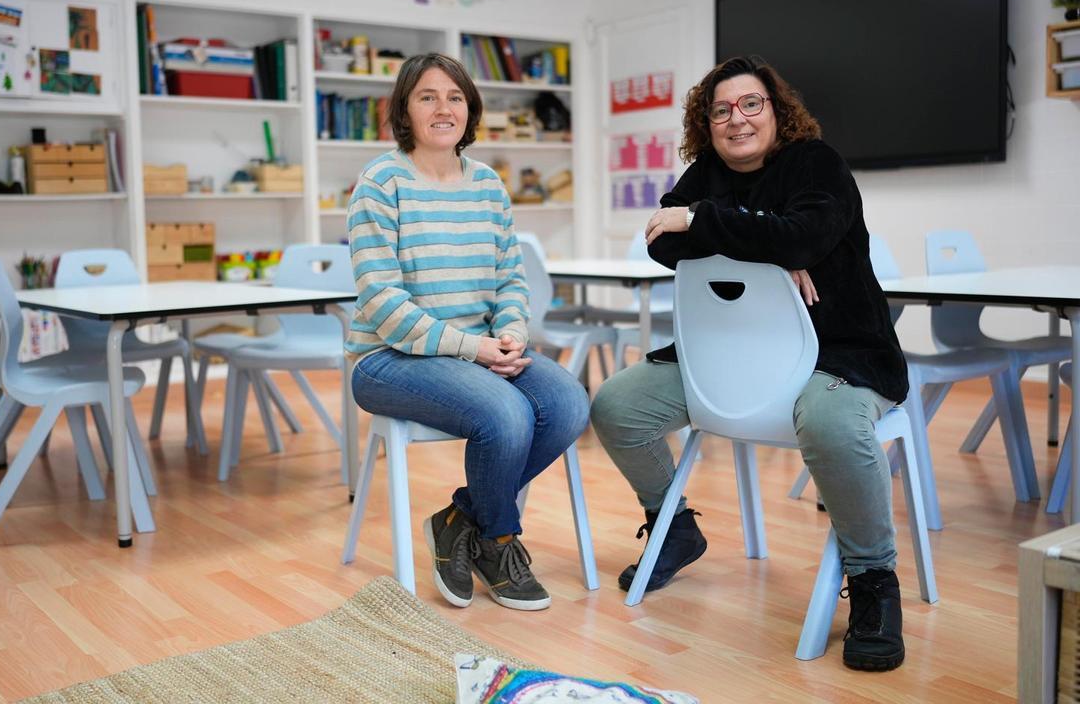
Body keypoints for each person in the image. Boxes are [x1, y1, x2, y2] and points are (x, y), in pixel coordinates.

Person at [590, 55, 911, 671]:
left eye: (751, 105)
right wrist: (766, 247)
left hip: (839, 350)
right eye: (720, 111)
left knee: (831, 426)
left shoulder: (816, 163)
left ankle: (873, 580)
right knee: (616, 406)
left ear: (775, 110)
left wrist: (720, 227)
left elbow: (804, 237)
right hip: (726, 359)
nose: (736, 119)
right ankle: (673, 525)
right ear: (705, 124)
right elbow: (664, 244)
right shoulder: (704, 172)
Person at [344, 53, 590, 612]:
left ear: (470, 108)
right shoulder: (381, 183)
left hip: (477, 350)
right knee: (506, 414)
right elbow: (384, 305)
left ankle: (460, 519)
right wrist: (474, 349)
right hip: (387, 359)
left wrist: (509, 333)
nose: (443, 108)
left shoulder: (487, 184)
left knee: (569, 403)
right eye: (427, 96)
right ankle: (499, 541)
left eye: (455, 97)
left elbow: (510, 277)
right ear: (405, 108)